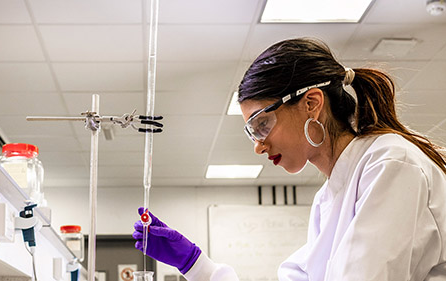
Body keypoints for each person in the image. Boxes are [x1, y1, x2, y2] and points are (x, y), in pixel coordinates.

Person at [132, 37, 446, 281]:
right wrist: (196, 265)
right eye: (251, 132)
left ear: (311, 103)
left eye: (262, 124)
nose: (258, 145)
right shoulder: (331, 196)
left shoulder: (390, 164)